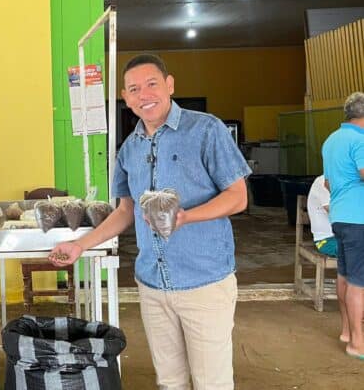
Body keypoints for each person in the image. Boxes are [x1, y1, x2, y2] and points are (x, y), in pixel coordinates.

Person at [50, 53, 250, 390]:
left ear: (169, 85)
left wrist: (186, 217)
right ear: (126, 98)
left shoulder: (205, 129)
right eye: (134, 89)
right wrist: (80, 245)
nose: (144, 94)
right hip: (153, 284)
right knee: (170, 381)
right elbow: (125, 210)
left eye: (152, 84)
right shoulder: (129, 149)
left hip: (203, 281)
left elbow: (238, 196)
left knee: (212, 383)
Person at [322, 91, 364, 360]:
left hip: (339, 216)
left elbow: (327, 183)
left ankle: (347, 332)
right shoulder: (360, 140)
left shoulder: (332, 140)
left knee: (345, 276)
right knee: (359, 282)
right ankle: (358, 343)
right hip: (359, 218)